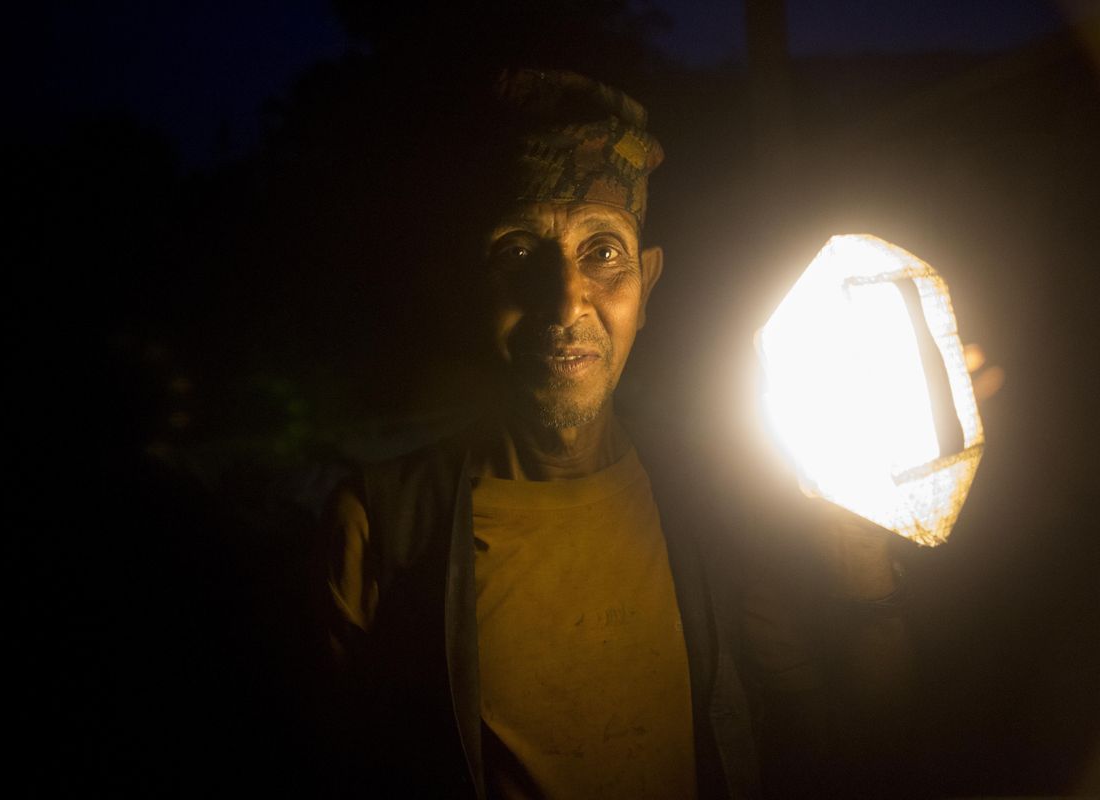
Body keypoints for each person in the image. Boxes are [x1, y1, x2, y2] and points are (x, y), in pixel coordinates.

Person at [325, 68, 912, 799]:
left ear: (648, 284)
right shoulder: (382, 529)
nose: (566, 298)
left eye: (603, 253)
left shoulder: (708, 507)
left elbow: (836, 743)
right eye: (516, 253)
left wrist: (862, 564)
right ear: (472, 283)